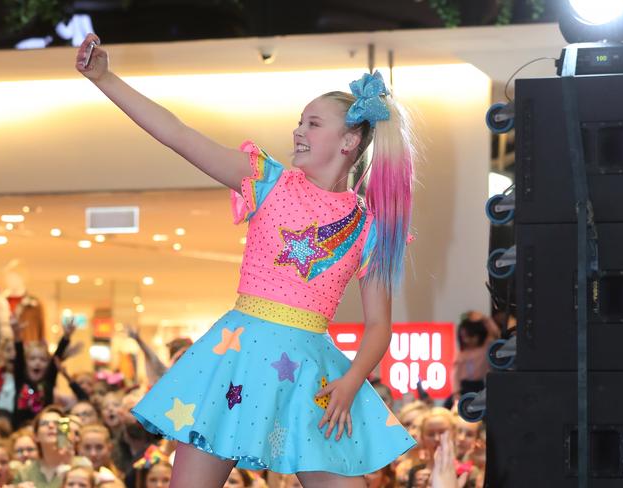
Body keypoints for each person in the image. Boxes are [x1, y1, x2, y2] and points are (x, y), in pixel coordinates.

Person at [76, 30, 417, 487]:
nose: (298, 130)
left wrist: (354, 378)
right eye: (300, 121)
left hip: (313, 376)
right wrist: (105, 79)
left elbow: (379, 325)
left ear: (349, 140)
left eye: (313, 123)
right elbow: (177, 134)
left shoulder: (369, 226)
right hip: (232, 358)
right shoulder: (267, 182)